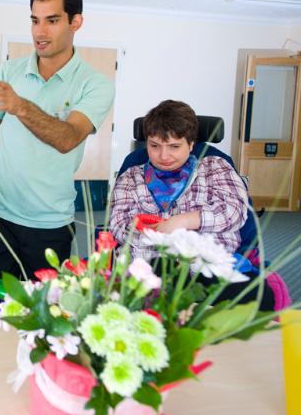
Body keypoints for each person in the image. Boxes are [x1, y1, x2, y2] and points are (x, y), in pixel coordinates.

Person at [0, 0, 114, 280]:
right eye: (35, 21)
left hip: (50, 223)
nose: (40, 32)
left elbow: (68, 138)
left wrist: (19, 105)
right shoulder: (10, 71)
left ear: (76, 22)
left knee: (44, 315)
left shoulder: (95, 84)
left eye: (52, 21)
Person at [107, 99, 274, 310]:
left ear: (191, 143)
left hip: (207, 264)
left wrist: (184, 221)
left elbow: (235, 211)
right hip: (151, 264)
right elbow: (118, 223)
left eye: (174, 146)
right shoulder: (131, 176)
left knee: (262, 298)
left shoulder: (216, 166)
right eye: (154, 146)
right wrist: (160, 236)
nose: (163, 156)